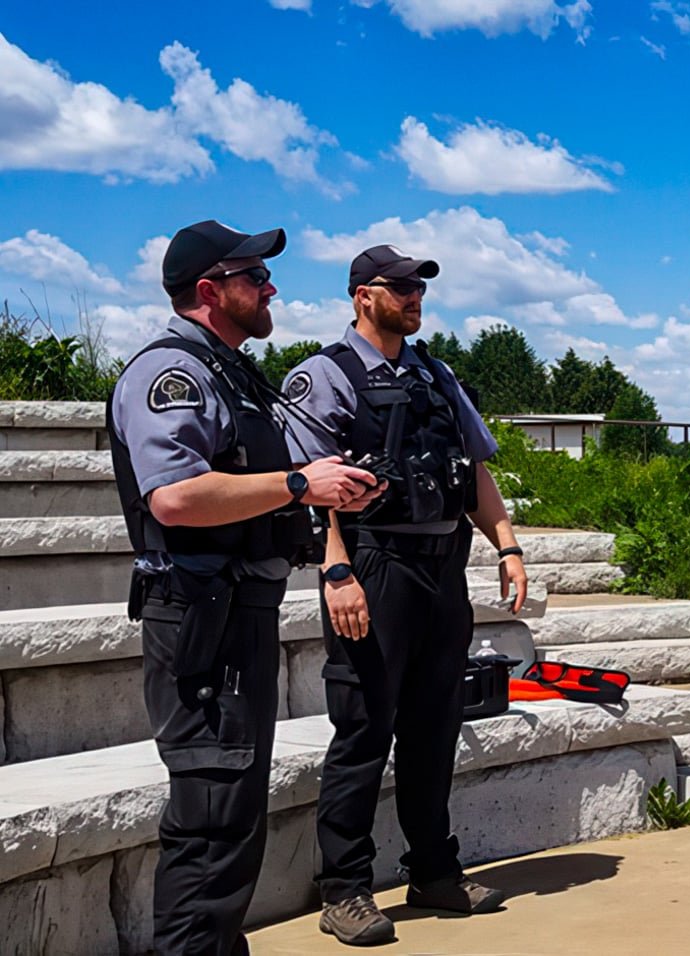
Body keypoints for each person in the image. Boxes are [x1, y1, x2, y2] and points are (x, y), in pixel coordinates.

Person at [107, 220, 382, 956]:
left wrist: (320, 494)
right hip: (203, 624)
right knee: (210, 821)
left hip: (237, 616)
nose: (270, 288)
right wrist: (300, 480)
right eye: (254, 277)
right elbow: (173, 497)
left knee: (231, 822)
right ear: (209, 291)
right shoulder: (173, 374)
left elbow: (248, 487)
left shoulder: (230, 372)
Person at [282, 244, 529, 946]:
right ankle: (346, 890)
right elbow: (310, 482)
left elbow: (472, 467)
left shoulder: (435, 372)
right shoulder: (325, 376)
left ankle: (433, 872)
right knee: (364, 729)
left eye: (420, 286)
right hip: (373, 561)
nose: (416, 296)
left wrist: (506, 544)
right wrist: (337, 572)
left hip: (441, 565)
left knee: (434, 725)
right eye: (401, 287)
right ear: (364, 295)